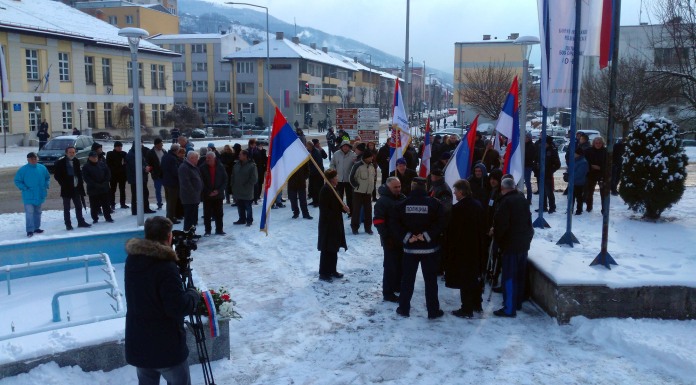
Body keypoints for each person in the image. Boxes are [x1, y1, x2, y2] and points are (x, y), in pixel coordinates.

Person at [124, 216, 200, 385]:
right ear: (168, 237)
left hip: (140, 342)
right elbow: (177, 307)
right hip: (166, 347)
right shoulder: (165, 267)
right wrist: (193, 296)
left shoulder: (132, 260)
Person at [392, 177, 445, 319]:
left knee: (407, 280)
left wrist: (408, 236)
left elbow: (395, 224)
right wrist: (427, 235)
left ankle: (403, 308)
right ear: (426, 187)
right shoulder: (435, 204)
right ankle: (433, 311)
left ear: (412, 186)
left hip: (410, 249)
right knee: (431, 282)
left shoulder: (402, 204)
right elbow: (441, 223)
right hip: (430, 249)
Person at [491, 178, 534, 318]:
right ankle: (517, 302)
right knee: (519, 275)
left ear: (503, 189)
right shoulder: (522, 199)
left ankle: (509, 308)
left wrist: (498, 240)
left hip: (510, 244)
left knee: (509, 276)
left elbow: (501, 224)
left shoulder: (506, 202)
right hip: (523, 242)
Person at [444, 179, 485, 318]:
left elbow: (453, 232)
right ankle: (476, 304)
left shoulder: (458, 209)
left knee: (465, 279)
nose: (454, 193)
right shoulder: (478, 205)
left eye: (455, 191)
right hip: (477, 247)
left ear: (461, 191)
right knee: (475, 277)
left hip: (463, 249)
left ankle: (466, 308)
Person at [373, 177, 406, 302]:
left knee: (400, 265)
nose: (398, 189)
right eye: (395, 187)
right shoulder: (382, 202)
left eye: (399, 186)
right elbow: (378, 221)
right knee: (390, 266)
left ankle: (397, 286)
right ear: (388, 187)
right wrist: (386, 237)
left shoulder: (402, 198)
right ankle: (388, 292)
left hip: (401, 238)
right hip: (390, 240)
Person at [317, 169, 350, 282]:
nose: (337, 178)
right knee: (327, 249)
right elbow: (325, 209)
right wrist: (336, 212)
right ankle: (324, 273)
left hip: (336, 223)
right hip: (328, 225)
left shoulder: (335, 189)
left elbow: (338, 203)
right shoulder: (325, 190)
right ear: (331, 179)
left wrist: (344, 208)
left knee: (334, 247)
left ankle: (332, 270)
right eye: (336, 176)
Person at [54, 146, 91, 230]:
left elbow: (78, 174)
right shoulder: (61, 162)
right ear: (66, 153)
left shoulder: (76, 161)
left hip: (76, 188)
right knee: (67, 208)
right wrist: (63, 183)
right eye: (70, 152)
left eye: (73, 152)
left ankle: (81, 222)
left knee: (78, 206)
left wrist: (80, 184)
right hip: (66, 188)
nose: (72, 154)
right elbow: (57, 176)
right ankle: (68, 224)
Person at [14, 152, 50, 237]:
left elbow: (47, 178)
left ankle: (36, 228)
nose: (34, 160)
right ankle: (29, 230)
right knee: (29, 212)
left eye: (35, 158)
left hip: (40, 193)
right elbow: (17, 181)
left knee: (38, 212)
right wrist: (24, 188)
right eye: (32, 159)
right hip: (28, 195)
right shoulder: (23, 170)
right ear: (28, 159)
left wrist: (46, 185)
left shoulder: (42, 168)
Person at [199, 152, 228, 236]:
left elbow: (225, 180)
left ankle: (219, 229)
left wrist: (218, 191)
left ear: (214, 159)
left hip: (218, 195)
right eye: (206, 158)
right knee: (207, 214)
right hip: (207, 195)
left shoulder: (220, 167)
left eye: (209, 158)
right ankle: (207, 231)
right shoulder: (202, 167)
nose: (207, 159)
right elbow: (201, 182)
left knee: (219, 213)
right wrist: (208, 192)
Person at [349, 149, 376, 235]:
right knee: (356, 211)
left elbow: (373, 178)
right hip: (358, 192)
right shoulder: (357, 165)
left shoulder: (372, 166)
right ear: (365, 158)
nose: (371, 158)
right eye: (370, 157)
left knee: (368, 211)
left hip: (368, 193)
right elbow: (351, 178)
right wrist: (356, 186)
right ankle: (354, 228)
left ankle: (368, 228)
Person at [82, 151, 114, 224]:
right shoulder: (86, 167)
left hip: (104, 188)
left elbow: (108, 174)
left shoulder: (102, 164)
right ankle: (95, 218)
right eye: (93, 157)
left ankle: (108, 217)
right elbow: (86, 178)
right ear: (89, 158)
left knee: (106, 204)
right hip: (93, 189)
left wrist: (105, 182)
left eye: (96, 157)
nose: (95, 158)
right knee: (94, 205)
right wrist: (95, 184)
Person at [127, 143, 156, 215]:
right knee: (135, 194)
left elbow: (144, 162)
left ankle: (145, 208)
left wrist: (147, 167)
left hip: (143, 177)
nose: (142, 147)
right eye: (140, 145)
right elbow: (134, 166)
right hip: (135, 178)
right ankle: (135, 210)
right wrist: (144, 169)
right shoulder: (131, 155)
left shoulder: (139, 153)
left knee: (145, 193)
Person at [231, 149, 257, 226]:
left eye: (240, 154)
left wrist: (247, 184)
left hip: (247, 190)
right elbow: (233, 176)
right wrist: (232, 185)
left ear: (245, 156)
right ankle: (242, 219)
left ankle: (249, 220)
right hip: (238, 189)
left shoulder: (252, 166)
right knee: (240, 206)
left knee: (248, 206)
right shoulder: (236, 165)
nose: (239, 156)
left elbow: (254, 179)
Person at [178, 151, 202, 232]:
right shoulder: (184, 167)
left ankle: (192, 233)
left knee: (194, 217)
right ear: (191, 158)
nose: (197, 160)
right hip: (189, 197)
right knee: (189, 217)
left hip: (195, 197)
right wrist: (194, 193)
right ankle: (187, 233)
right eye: (196, 158)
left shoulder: (193, 166)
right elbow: (186, 183)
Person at [330, 141, 357, 213]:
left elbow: (356, 166)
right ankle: (340, 209)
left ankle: (350, 211)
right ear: (341, 147)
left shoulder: (353, 155)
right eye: (344, 146)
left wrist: (355, 162)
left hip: (349, 180)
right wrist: (334, 173)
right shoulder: (336, 154)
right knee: (339, 196)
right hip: (338, 179)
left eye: (347, 146)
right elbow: (332, 164)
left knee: (349, 197)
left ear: (349, 147)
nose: (345, 147)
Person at [584, 136, 608, 214]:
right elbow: (585, 162)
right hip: (591, 174)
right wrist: (591, 166)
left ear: (602, 143)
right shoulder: (588, 151)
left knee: (603, 193)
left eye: (599, 143)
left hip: (602, 174)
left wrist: (600, 168)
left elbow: (609, 164)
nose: (598, 144)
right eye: (596, 143)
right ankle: (589, 207)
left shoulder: (606, 151)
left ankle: (604, 209)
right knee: (589, 192)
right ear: (593, 143)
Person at [537, 136, 560, 213]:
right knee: (542, 191)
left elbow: (557, 164)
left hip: (547, 174)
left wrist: (550, 171)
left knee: (549, 192)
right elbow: (536, 159)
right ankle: (543, 207)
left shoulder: (552, 151)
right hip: (540, 173)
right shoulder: (540, 149)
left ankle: (552, 207)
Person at [161, 144, 182, 224]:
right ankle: (171, 218)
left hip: (166, 181)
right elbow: (175, 171)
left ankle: (169, 216)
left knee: (169, 200)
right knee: (172, 201)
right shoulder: (173, 158)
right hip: (173, 182)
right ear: (176, 150)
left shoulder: (165, 156)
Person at [106, 141, 128, 210]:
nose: (120, 148)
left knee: (122, 190)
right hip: (113, 175)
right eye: (118, 147)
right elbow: (108, 165)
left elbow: (126, 164)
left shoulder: (124, 154)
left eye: (121, 146)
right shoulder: (110, 154)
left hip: (122, 175)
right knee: (112, 190)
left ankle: (123, 203)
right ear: (115, 147)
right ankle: (112, 204)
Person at [146, 138, 166, 210]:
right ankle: (159, 203)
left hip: (165, 174)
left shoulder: (164, 151)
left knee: (167, 189)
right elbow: (148, 163)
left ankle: (168, 202)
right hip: (156, 175)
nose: (162, 145)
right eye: (161, 143)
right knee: (158, 190)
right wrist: (152, 171)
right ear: (156, 144)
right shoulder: (150, 153)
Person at [307, 139, 326, 207]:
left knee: (317, 188)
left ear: (310, 146)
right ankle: (314, 200)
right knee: (312, 187)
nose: (307, 147)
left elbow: (317, 164)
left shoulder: (316, 152)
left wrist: (312, 171)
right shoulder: (311, 151)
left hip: (317, 173)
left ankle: (318, 202)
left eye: (307, 146)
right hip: (312, 173)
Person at [572, 147, 589, 215]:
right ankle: (570, 209)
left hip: (579, 182)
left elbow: (580, 173)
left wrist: (570, 176)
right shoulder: (575, 160)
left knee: (578, 197)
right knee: (571, 196)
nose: (573, 154)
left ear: (578, 154)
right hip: (573, 181)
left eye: (575, 153)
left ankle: (579, 210)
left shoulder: (583, 162)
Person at [524, 132, 537, 204]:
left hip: (528, 166)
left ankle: (529, 199)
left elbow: (531, 156)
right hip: (523, 165)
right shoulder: (524, 145)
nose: (525, 139)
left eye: (526, 137)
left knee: (527, 182)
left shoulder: (532, 146)